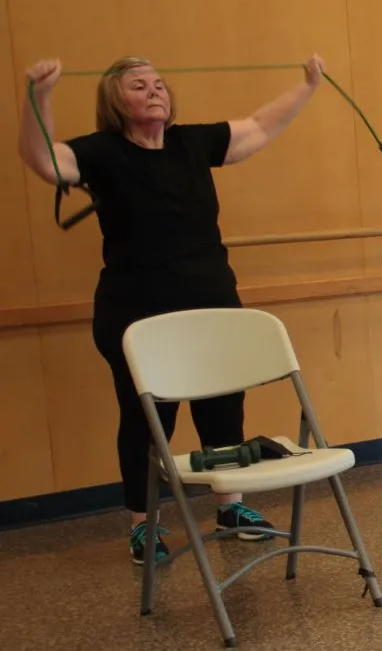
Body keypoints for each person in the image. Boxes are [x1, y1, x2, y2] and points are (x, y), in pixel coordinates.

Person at [17, 55, 329, 564]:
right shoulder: (104, 152)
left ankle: (231, 507)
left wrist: (307, 86)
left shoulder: (191, 142)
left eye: (159, 83)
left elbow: (255, 129)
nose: (154, 91)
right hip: (137, 314)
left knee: (223, 405)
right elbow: (44, 160)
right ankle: (144, 525)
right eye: (139, 85)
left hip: (211, 303)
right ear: (116, 101)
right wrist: (41, 97)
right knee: (147, 419)